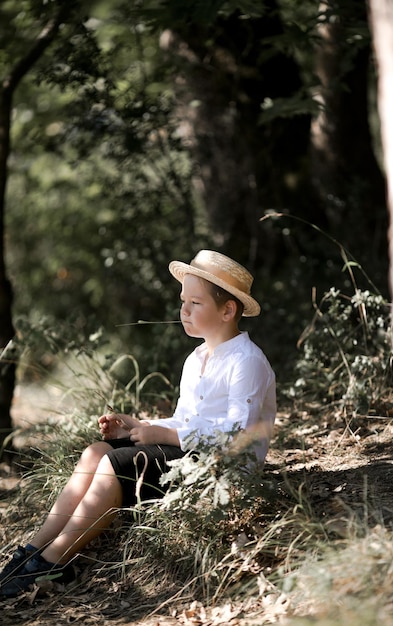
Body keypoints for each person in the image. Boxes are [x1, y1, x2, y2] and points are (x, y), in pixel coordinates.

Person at [0, 249, 276, 599]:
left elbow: (238, 435)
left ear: (227, 310)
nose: (184, 311)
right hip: (189, 451)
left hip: (222, 468)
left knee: (114, 464)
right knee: (95, 451)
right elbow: (185, 421)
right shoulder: (196, 359)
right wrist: (138, 426)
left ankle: (54, 561)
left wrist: (164, 434)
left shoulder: (246, 361)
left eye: (195, 302)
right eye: (183, 301)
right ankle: (34, 549)